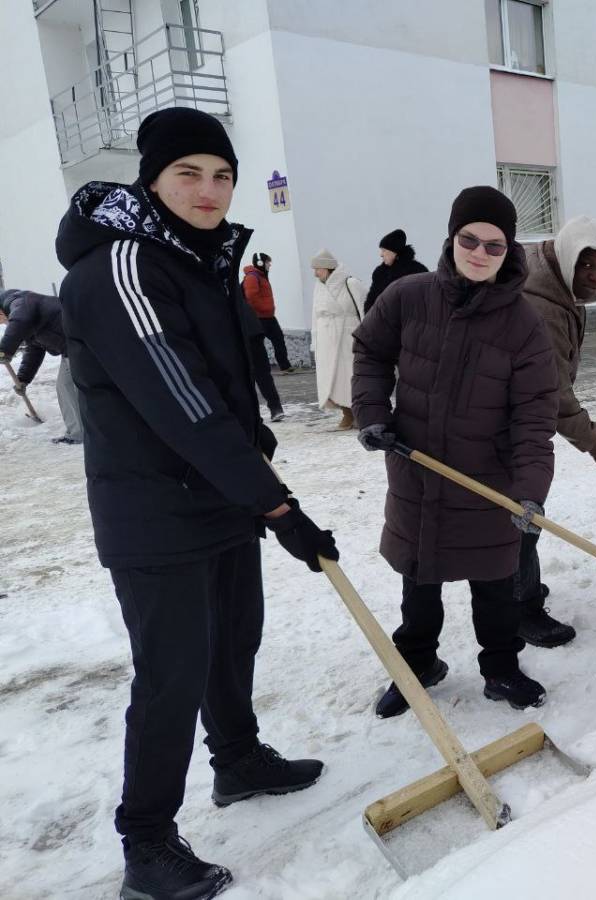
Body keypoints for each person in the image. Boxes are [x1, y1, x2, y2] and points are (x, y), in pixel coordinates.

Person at [55, 106, 339, 900]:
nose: (209, 189)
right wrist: (277, 505)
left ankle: (238, 760)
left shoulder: (194, 258)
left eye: (222, 174)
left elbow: (222, 389)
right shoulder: (123, 268)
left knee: (233, 641)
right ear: (151, 179)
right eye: (189, 173)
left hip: (215, 496)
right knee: (171, 675)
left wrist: (255, 472)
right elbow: (181, 401)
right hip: (154, 514)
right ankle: (146, 843)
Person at [353, 185, 557, 718]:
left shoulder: (524, 326)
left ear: (510, 251)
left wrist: (529, 493)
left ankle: (502, 669)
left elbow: (535, 418)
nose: (480, 254)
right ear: (452, 237)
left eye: (495, 245)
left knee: (495, 584)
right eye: (471, 239)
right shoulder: (408, 295)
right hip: (416, 468)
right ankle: (417, 663)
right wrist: (373, 414)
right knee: (418, 579)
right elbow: (370, 349)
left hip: (485, 482)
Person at [515, 215, 596, 647]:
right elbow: (554, 393)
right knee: (520, 514)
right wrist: (594, 442)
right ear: (565, 257)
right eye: (586, 266)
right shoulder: (541, 304)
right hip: (510, 425)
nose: (594, 279)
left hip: (523, 417)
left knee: (520, 514)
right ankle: (520, 608)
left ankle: (520, 590)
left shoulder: (551, 282)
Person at [0, 288, 82, 443]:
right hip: (71, 346)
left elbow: (20, 320)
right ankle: (79, 433)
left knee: (73, 388)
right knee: (67, 387)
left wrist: (5, 350)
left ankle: (83, 434)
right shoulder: (25, 314)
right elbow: (34, 350)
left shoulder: (19, 302)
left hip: (78, 340)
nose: (3, 323)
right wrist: (23, 379)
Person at [309, 249, 364, 429]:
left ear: (328, 267)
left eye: (318, 268)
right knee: (331, 380)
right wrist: (314, 340)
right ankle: (346, 413)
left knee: (350, 377)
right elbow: (315, 316)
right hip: (326, 338)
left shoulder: (351, 283)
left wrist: (368, 336)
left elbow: (364, 309)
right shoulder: (319, 287)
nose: (315, 273)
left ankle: (358, 413)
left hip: (347, 336)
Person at [241, 252, 294, 373]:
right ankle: (253, 369)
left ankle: (285, 366)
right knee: (256, 344)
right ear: (260, 263)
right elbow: (251, 297)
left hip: (269, 317)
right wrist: (264, 308)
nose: (269, 264)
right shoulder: (252, 277)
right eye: (267, 262)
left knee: (279, 339)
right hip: (259, 317)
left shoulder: (262, 276)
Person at [364, 229, 427, 314]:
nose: (381, 255)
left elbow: (427, 301)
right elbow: (371, 302)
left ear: (394, 251)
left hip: (410, 324)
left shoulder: (418, 271)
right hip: (382, 325)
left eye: (384, 250)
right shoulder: (379, 273)